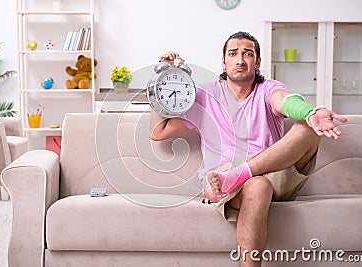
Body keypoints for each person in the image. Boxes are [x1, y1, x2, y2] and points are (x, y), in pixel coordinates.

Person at [149, 31, 347, 267]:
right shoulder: (206, 95)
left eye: (248, 54)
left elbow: (284, 100)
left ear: (258, 62)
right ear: (223, 61)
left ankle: (243, 172)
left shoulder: (268, 89)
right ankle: (235, 178)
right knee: (258, 186)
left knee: (309, 126)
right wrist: (163, 77)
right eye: (233, 54)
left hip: (276, 172)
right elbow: (158, 132)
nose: (240, 60)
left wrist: (310, 112)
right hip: (223, 178)